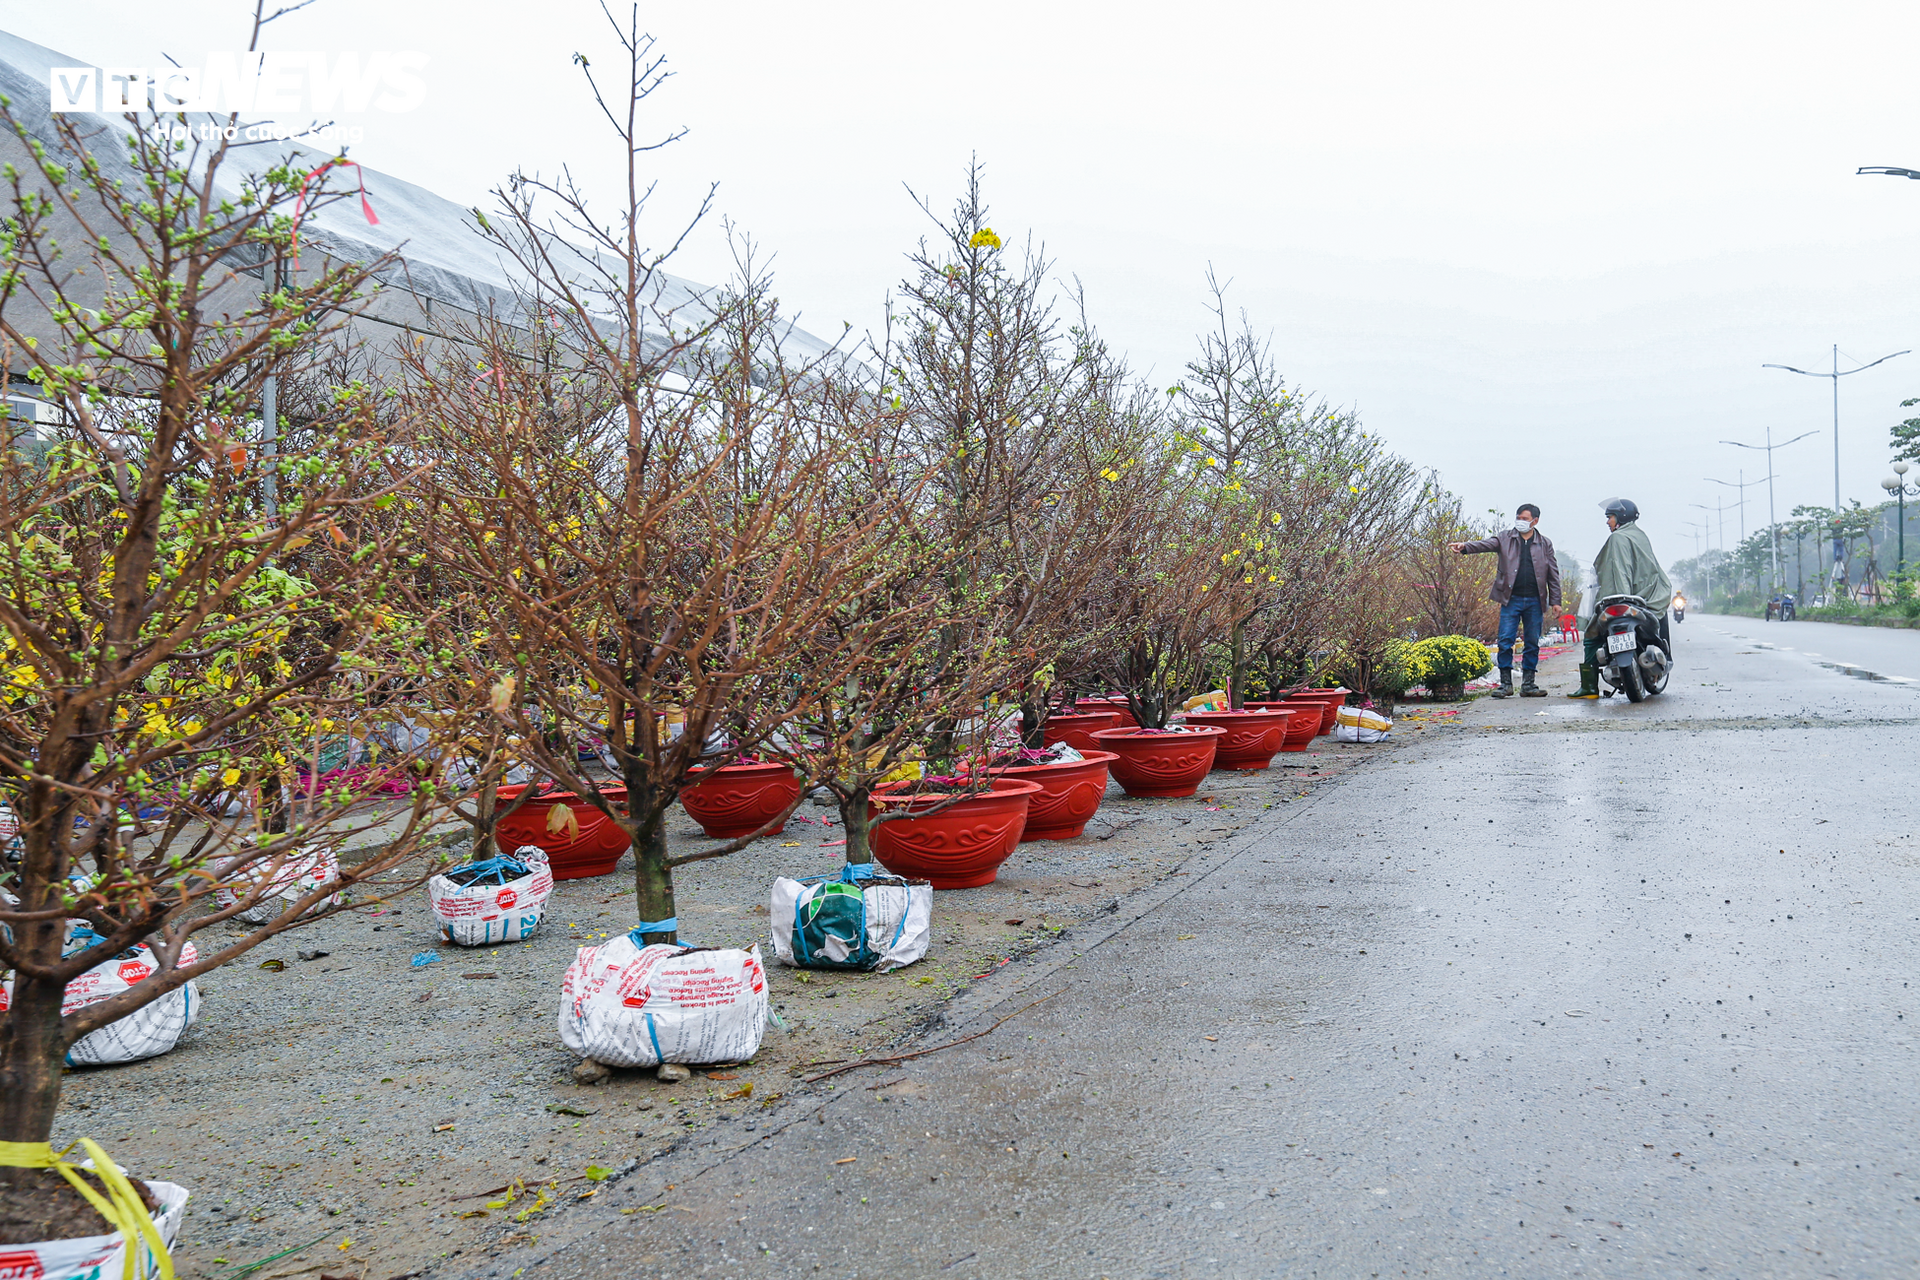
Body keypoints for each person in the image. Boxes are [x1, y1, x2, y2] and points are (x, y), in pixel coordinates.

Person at [1449, 503, 1561, 697]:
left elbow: (1553, 574)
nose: (1520, 522)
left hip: (1535, 600)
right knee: (1505, 640)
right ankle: (1505, 684)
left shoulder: (1544, 544)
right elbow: (1485, 544)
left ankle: (1528, 685)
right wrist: (1465, 547)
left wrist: (1556, 601)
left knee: (1532, 642)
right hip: (1511, 599)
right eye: (1518, 517)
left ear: (1535, 521)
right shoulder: (1505, 538)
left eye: (1525, 519)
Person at [1568, 497, 1672, 699]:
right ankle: (1665, 655)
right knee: (1660, 623)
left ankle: (1589, 687)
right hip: (1648, 599)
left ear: (1621, 517)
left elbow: (1616, 572)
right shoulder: (1639, 536)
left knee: (1591, 638)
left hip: (1619, 599)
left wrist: (1616, 599)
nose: (1608, 522)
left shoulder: (1617, 538)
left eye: (1611, 517)